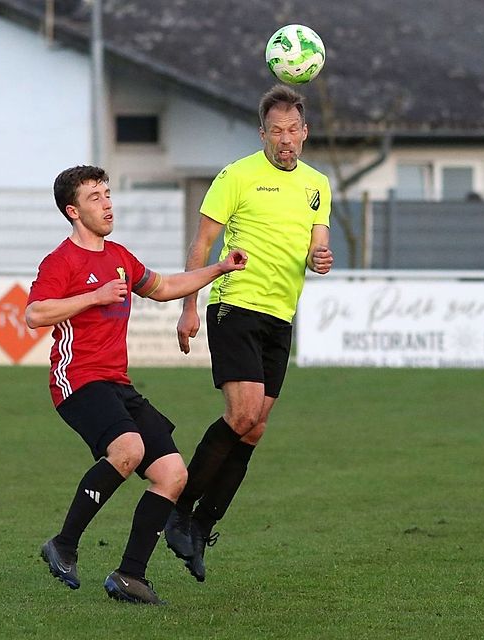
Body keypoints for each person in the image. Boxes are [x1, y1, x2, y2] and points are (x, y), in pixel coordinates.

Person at [27, 165, 247, 605]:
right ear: (72, 211)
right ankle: (64, 545)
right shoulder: (61, 261)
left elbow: (164, 287)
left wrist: (220, 268)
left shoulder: (120, 257)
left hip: (117, 383)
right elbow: (35, 314)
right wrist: (94, 296)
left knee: (173, 474)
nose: (107, 203)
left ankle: (130, 576)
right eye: (95, 197)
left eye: (108, 193)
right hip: (76, 379)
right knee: (127, 449)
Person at [164, 84, 334, 581]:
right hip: (234, 306)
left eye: (293, 131)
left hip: (280, 317)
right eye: (275, 131)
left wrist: (319, 257)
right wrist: (188, 308)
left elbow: (316, 246)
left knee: (255, 427)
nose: (285, 139)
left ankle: (200, 526)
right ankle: (177, 510)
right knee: (240, 414)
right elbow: (202, 244)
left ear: (305, 133)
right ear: (263, 133)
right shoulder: (236, 176)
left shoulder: (318, 184)